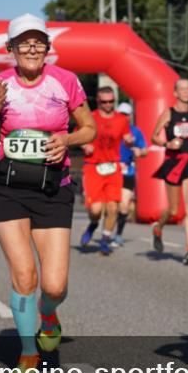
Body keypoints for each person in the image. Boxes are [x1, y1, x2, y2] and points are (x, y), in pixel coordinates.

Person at [0, 13, 95, 373]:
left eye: (38, 42)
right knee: (24, 275)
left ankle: (48, 313)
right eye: (24, 43)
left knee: (54, 285)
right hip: (8, 190)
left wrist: (67, 139)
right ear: (10, 48)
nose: (31, 49)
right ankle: (28, 352)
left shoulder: (65, 80)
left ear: (47, 47)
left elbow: (89, 129)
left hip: (53, 189)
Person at [151, 79, 188, 265]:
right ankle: (158, 227)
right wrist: (167, 144)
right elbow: (154, 137)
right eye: (182, 89)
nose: (186, 92)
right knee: (173, 210)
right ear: (175, 93)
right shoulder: (168, 113)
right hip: (173, 163)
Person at [79, 87, 134, 255]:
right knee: (95, 210)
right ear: (98, 101)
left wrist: (129, 141)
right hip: (93, 167)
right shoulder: (90, 117)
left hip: (112, 167)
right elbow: (78, 136)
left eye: (111, 101)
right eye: (104, 102)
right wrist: (84, 145)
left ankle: (105, 238)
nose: (108, 105)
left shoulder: (121, 120)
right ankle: (93, 224)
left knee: (113, 207)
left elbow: (127, 137)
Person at [112, 101, 148, 247]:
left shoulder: (135, 132)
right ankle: (105, 231)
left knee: (124, 205)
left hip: (128, 171)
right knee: (111, 206)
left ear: (131, 116)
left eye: (126, 115)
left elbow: (144, 150)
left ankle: (118, 235)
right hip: (111, 170)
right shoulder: (111, 128)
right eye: (121, 114)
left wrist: (140, 152)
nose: (124, 117)